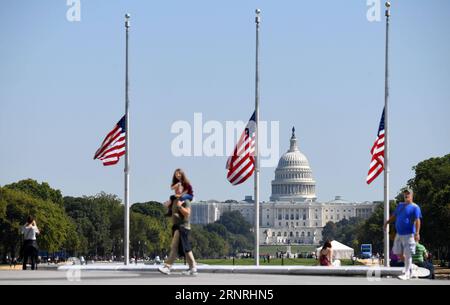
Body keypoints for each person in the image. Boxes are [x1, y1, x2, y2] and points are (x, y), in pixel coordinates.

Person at [159, 169, 197, 276]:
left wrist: (180, 207)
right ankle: (193, 267)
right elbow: (173, 213)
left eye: (178, 188)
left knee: (174, 246)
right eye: (175, 188)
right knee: (185, 248)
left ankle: (167, 267)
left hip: (182, 227)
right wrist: (168, 207)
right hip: (176, 226)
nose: (176, 190)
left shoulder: (185, 201)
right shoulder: (175, 200)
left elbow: (187, 214)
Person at [384, 188, 422, 280]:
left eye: (408, 194)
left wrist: (417, 233)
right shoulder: (400, 205)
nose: (406, 195)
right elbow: (394, 216)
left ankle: (407, 273)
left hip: (409, 233)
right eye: (405, 193)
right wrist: (387, 223)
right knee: (397, 252)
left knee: (407, 253)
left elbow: (417, 220)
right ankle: (411, 267)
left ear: (411, 195)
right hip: (399, 233)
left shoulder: (415, 207)